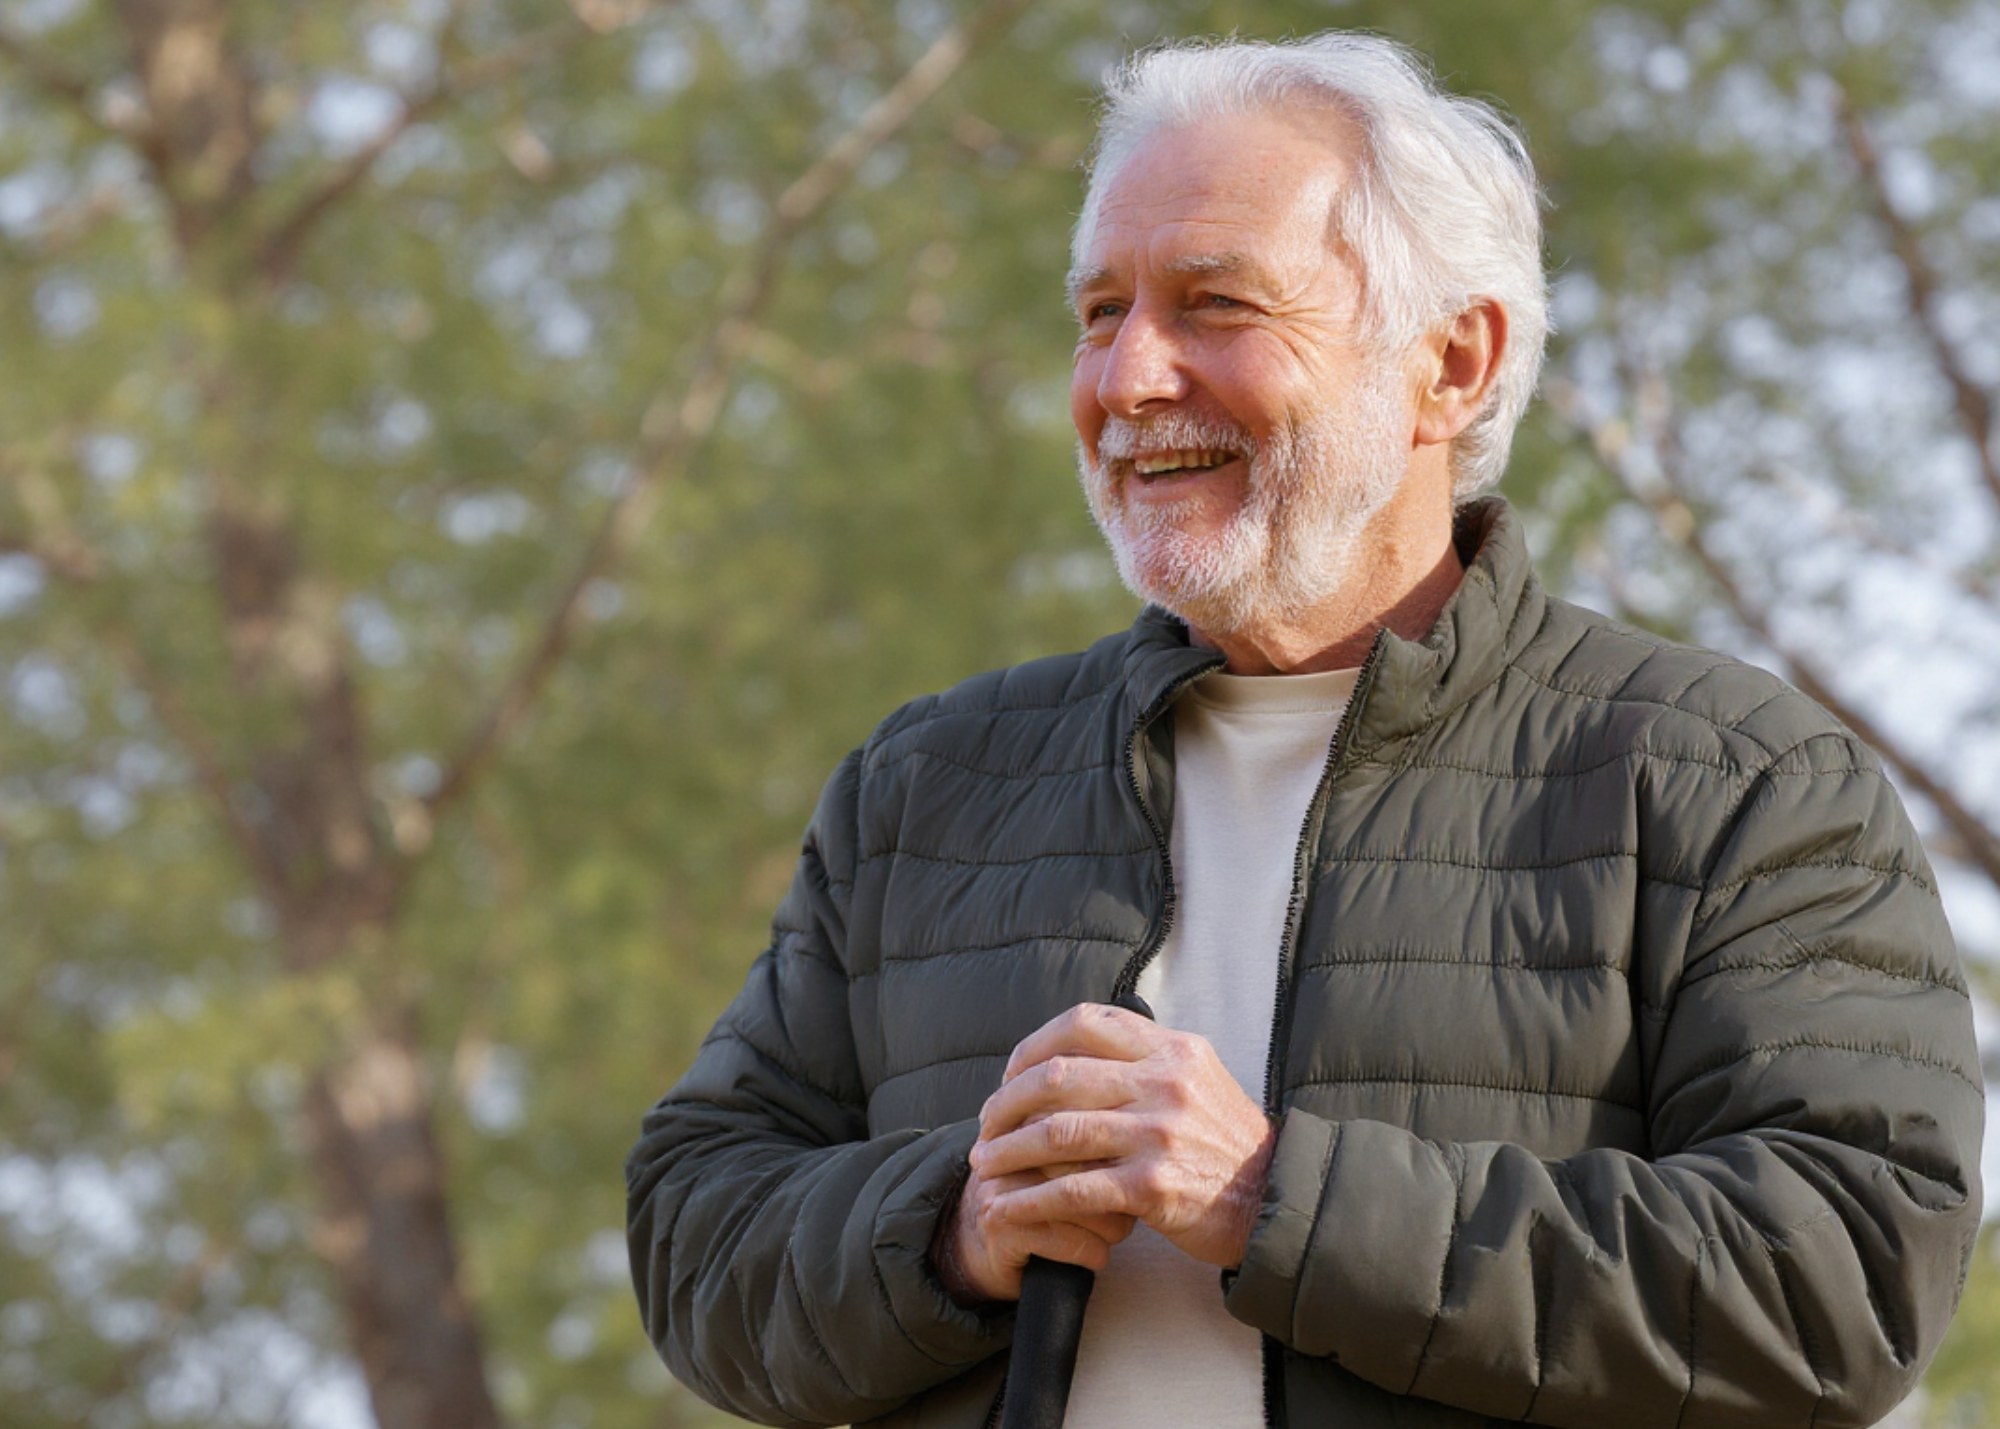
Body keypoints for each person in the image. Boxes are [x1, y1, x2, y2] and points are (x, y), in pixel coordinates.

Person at [626, 32, 1984, 1429]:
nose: (1132, 377)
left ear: (1452, 363)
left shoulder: (1738, 781)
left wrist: (1273, 1198)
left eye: (1215, 303)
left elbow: (1847, 1278)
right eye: (1101, 312)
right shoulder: (927, 786)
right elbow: (694, 1225)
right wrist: (951, 1228)